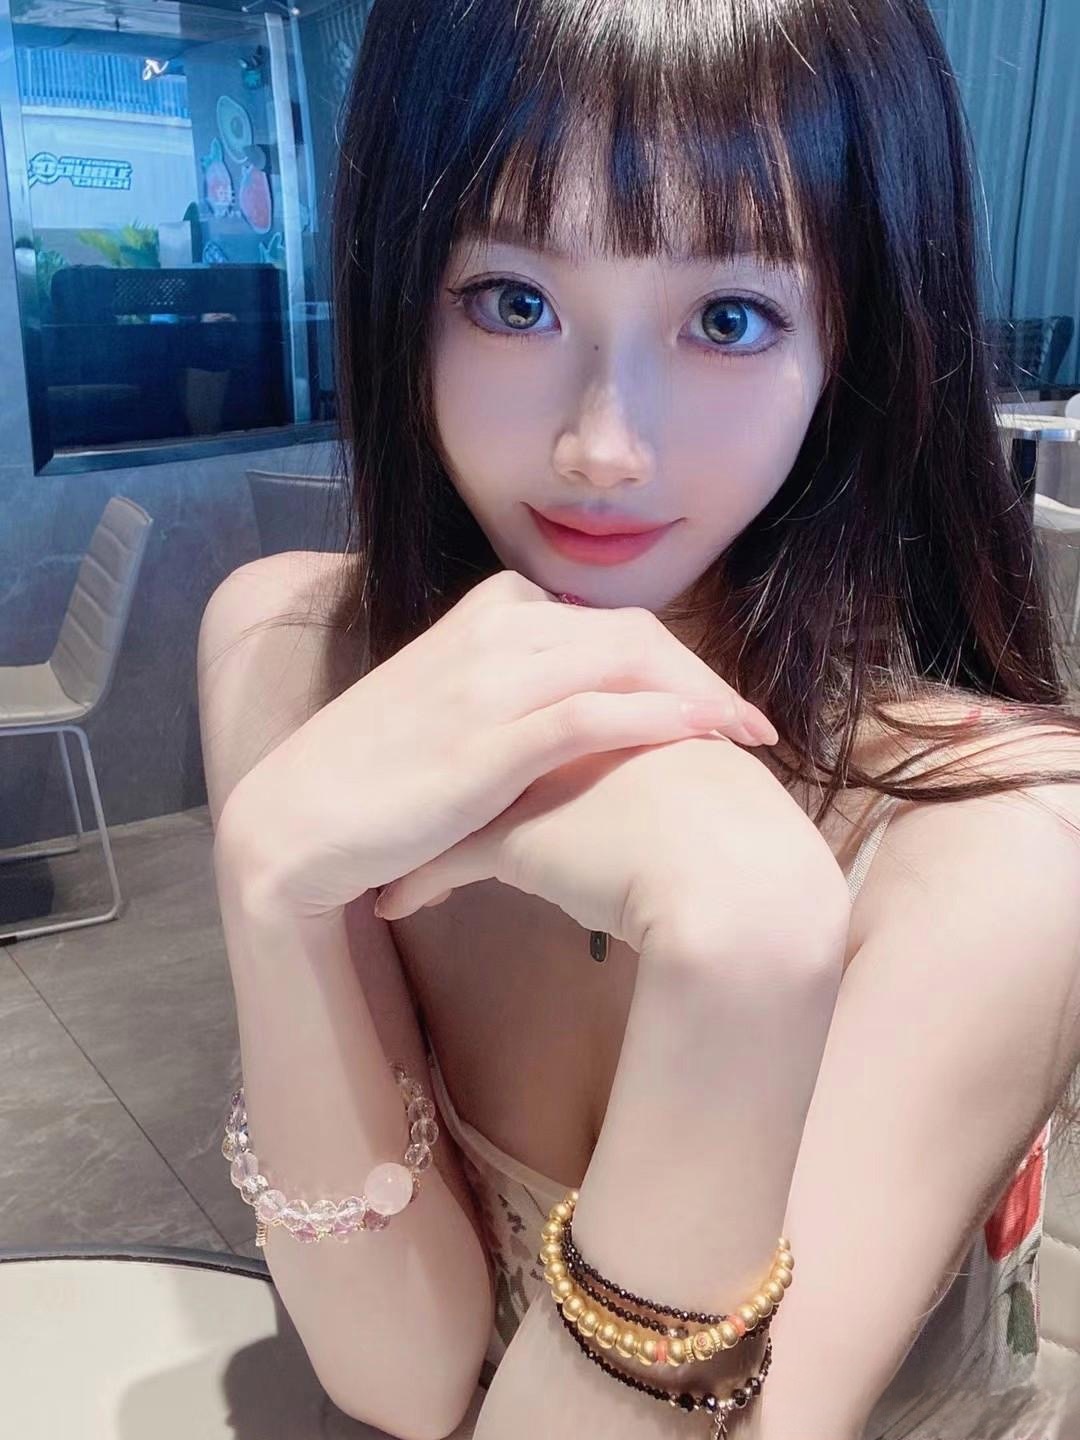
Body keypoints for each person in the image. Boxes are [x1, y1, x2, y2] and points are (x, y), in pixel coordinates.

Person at [196, 1, 1080, 1436]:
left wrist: (746, 958)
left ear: (856, 337)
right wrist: (272, 892)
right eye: (512, 301)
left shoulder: (1001, 835)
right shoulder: (295, 657)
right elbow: (402, 1381)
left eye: (729, 318)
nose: (604, 444)